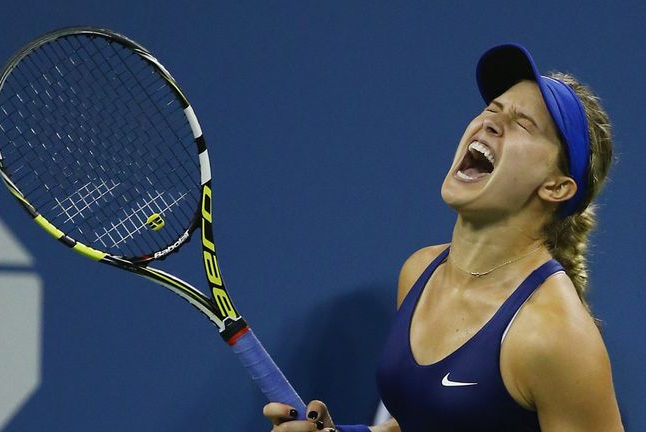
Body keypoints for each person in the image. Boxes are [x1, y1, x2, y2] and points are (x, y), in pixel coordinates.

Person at [264, 43, 624, 431]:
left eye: (523, 124)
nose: (489, 122)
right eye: (492, 109)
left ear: (556, 187)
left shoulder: (554, 335)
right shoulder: (420, 272)